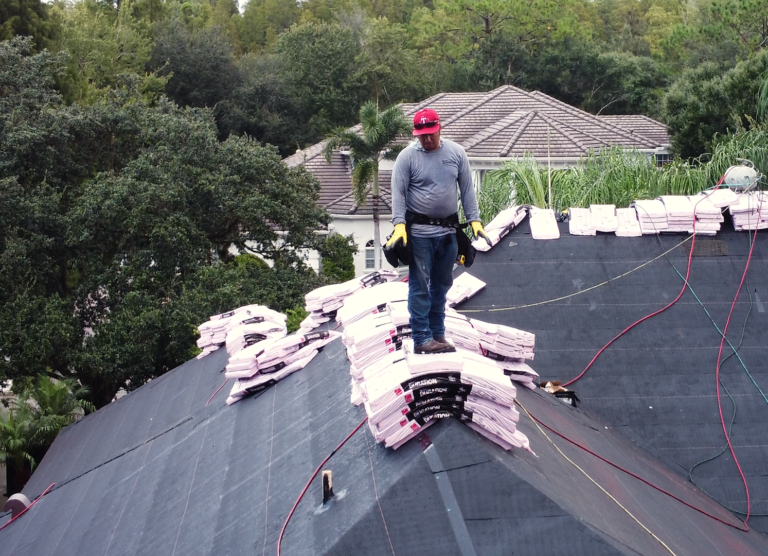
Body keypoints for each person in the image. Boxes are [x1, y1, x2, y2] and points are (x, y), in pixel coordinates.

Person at [388, 108, 490, 354]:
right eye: (422, 135)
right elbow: (398, 193)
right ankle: (422, 337)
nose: (427, 139)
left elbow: (467, 190)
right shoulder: (407, 157)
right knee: (420, 285)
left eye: (431, 133)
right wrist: (399, 225)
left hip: (448, 233)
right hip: (420, 235)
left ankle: (438, 333)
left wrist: (474, 220)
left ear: (439, 128)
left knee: (442, 284)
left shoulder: (456, 153)